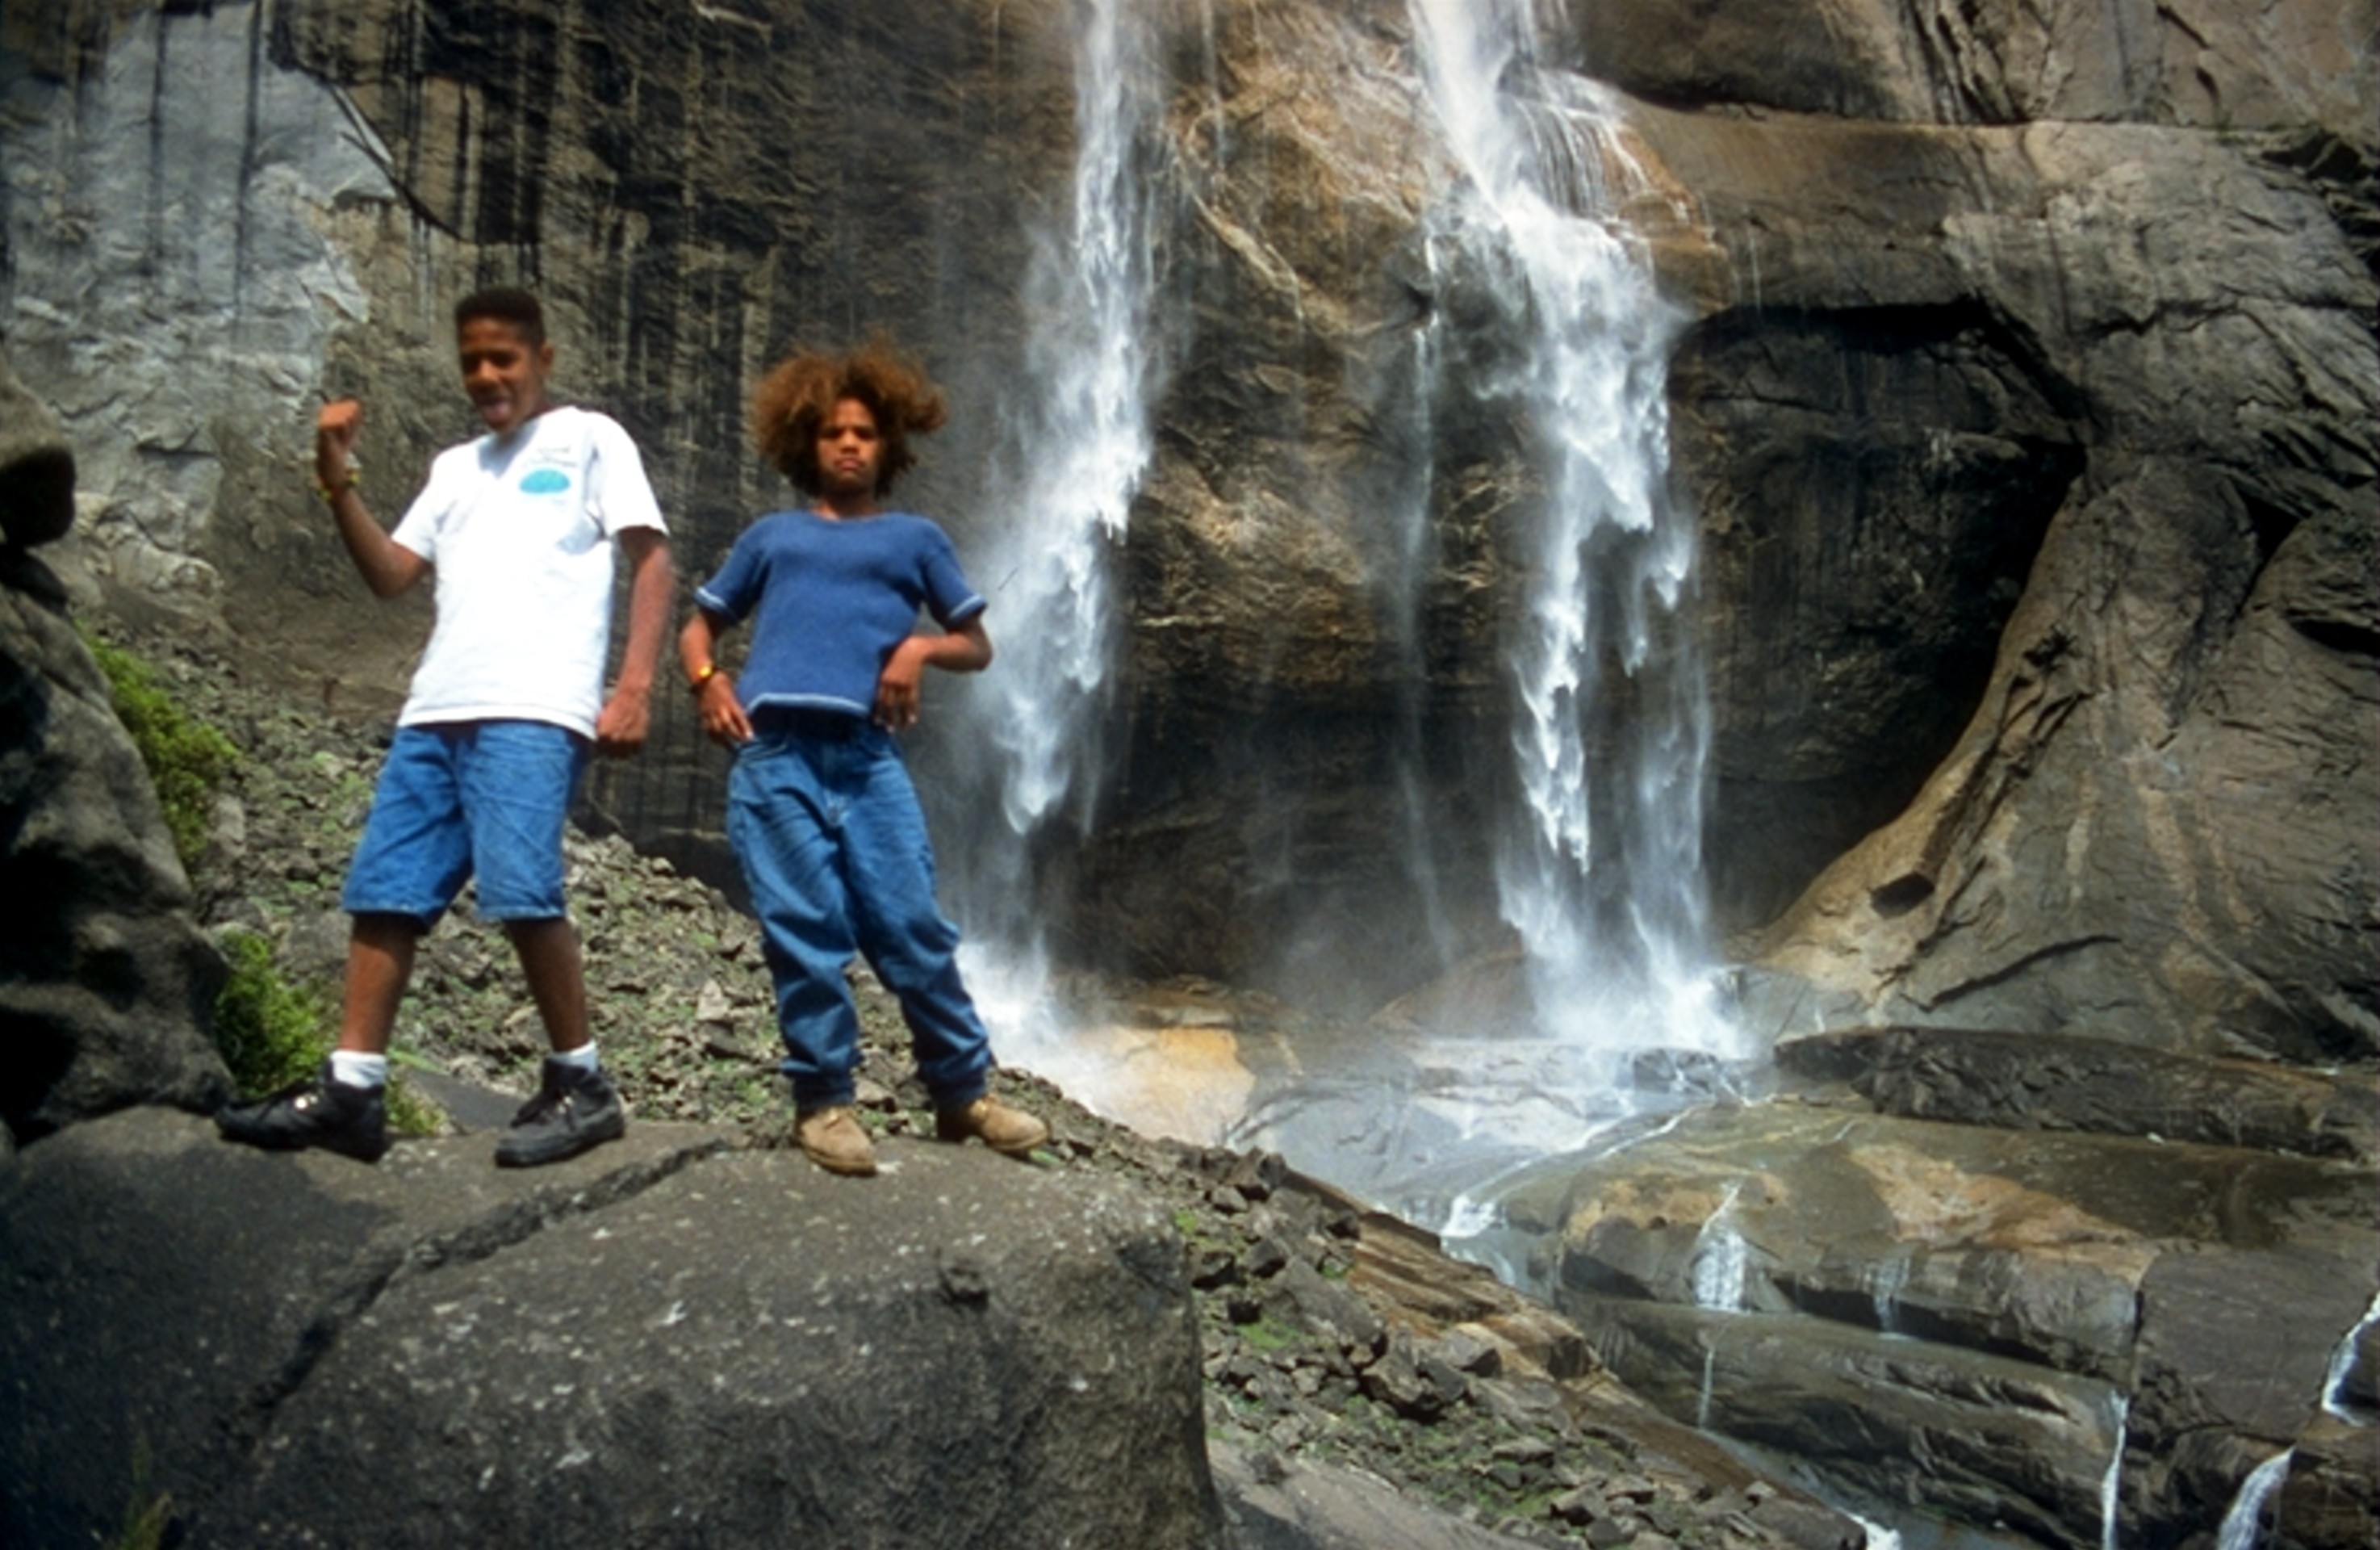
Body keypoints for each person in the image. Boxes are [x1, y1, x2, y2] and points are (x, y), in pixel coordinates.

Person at [218, 287, 674, 1167]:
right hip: (434, 709)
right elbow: (391, 573)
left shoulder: (588, 438)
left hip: (535, 707)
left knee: (520, 888)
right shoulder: (454, 468)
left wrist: (637, 686)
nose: (487, 375)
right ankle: (354, 1087)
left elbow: (651, 559)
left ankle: (582, 1080)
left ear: (544, 357)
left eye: (504, 357)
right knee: (385, 889)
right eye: (472, 360)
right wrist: (336, 478)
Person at [680, 341, 1046, 1177]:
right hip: (775, 759)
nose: (849, 445)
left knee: (913, 926)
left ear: (890, 447)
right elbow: (699, 625)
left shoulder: (916, 539)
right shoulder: (771, 537)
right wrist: (707, 680)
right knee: (806, 932)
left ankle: (962, 1093)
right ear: (805, 443)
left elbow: (976, 644)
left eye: (866, 433)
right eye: (833, 433)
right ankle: (823, 1103)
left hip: (868, 761)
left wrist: (916, 652)